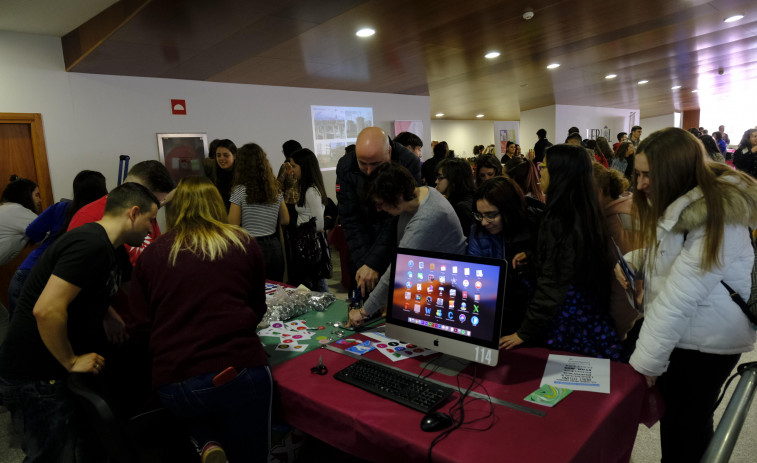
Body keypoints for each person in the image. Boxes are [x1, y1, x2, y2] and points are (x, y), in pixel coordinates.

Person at [619, 128, 757, 462]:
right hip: (692, 332)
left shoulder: (717, 219)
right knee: (681, 424)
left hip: (706, 344)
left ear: (675, 172)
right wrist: (635, 260)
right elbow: (672, 260)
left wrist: (647, 364)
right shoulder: (689, 203)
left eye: (649, 175)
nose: (639, 184)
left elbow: (679, 297)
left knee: (686, 431)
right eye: (637, 174)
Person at [0, 183, 159, 462]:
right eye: (150, 219)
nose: (151, 229)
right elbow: (47, 310)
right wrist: (71, 361)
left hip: (48, 368)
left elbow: (83, 287)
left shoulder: (109, 246)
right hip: (35, 372)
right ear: (133, 213)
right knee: (52, 455)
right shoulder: (90, 243)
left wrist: (109, 315)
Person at [499, 144, 622, 360]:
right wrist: (535, 255)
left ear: (561, 174)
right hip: (586, 310)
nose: (540, 171)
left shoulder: (562, 218)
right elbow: (569, 258)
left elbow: (554, 281)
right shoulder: (582, 208)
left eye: (544, 166)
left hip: (569, 319)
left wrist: (523, 332)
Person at [348, 163, 466, 326]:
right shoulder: (423, 195)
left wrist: (363, 312)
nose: (380, 209)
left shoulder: (427, 218)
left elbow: (398, 270)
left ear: (397, 196)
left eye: (381, 203)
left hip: (449, 295)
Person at [336, 127, 421, 297]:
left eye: (376, 164)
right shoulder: (346, 165)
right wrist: (365, 264)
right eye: (363, 164)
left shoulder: (408, 161)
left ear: (389, 152)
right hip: (361, 249)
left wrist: (374, 263)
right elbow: (350, 217)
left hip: (397, 248)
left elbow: (397, 217)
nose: (369, 171)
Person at [8, 170, 107, 315]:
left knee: (23, 332)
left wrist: (51, 236)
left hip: (30, 271)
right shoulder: (102, 217)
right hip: (49, 276)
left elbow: (32, 232)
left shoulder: (61, 208)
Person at [467, 177, 541, 335]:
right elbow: (475, 278)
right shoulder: (478, 231)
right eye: (479, 215)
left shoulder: (537, 226)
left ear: (510, 209)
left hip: (535, 314)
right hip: (497, 312)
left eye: (490, 215)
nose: (484, 222)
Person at [68, 160, 174, 266]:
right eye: (154, 201)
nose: (155, 206)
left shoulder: (145, 212)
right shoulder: (86, 217)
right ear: (137, 192)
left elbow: (157, 254)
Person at [591, 163, 639, 340]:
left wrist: (616, 331)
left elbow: (628, 289)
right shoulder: (612, 213)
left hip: (623, 326)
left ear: (600, 192)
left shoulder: (619, 227)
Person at [229, 143, 290, 281]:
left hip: (250, 246)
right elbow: (285, 219)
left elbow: (233, 224)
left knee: (253, 290)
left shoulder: (239, 191)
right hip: (274, 247)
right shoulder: (275, 188)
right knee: (275, 289)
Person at [290, 148, 329, 292]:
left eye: (294, 166)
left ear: (304, 166)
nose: (292, 170)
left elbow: (319, 224)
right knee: (315, 284)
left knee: (318, 285)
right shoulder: (306, 189)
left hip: (310, 245)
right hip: (307, 243)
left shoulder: (311, 191)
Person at [0, 176, 41, 266]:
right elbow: (46, 233)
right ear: (26, 195)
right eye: (37, 195)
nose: (40, 200)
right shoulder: (16, 210)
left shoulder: (7, 208)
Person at [435, 158, 475, 237]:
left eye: (440, 178)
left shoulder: (461, 208)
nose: (436, 181)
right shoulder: (466, 198)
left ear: (454, 178)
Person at [209, 139, 237, 211]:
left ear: (234, 156)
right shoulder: (214, 176)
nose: (221, 158)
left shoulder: (241, 176)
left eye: (226, 155)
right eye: (218, 155)